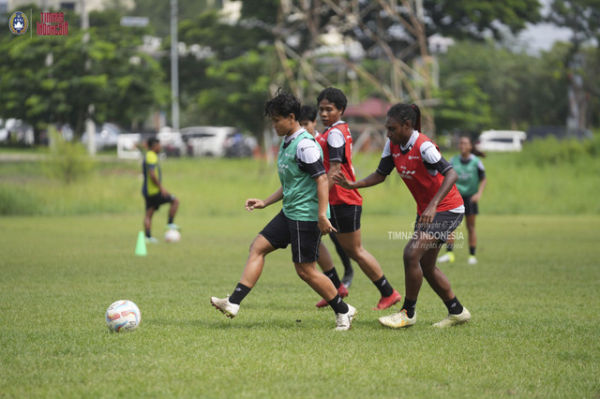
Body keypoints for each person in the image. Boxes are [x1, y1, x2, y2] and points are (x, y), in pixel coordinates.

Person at [210, 90, 356, 331]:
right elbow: (291, 183)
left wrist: (321, 215)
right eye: (272, 121)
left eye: (277, 120)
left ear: (291, 117)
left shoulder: (305, 146)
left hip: (305, 216)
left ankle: (343, 311)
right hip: (290, 212)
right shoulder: (287, 142)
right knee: (258, 247)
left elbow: (321, 180)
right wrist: (265, 202)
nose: (274, 125)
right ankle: (233, 303)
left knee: (305, 271)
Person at [334, 103, 471, 328]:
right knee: (426, 265)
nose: (388, 133)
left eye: (392, 128)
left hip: (447, 209)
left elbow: (452, 173)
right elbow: (380, 174)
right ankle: (457, 311)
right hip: (428, 212)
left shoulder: (424, 146)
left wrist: (433, 205)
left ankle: (408, 313)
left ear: (407, 125)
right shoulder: (393, 144)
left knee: (410, 254)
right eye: (387, 129)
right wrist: (352, 185)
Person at [314, 87, 401, 310]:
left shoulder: (334, 133)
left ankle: (387, 292)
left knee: (355, 250)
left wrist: (318, 197)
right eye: (321, 109)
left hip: (343, 199)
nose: (324, 114)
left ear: (341, 110)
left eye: (329, 109)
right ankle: (335, 289)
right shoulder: (335, 130)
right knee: (314, 241)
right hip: (338, 199)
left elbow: (334, 171)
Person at [298, 104, 355, 288]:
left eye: (306, 123)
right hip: (321, 197)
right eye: (300, 124)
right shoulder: (301, 143)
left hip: (334, 196)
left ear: (314, 123)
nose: (303, 128)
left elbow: (331, 171)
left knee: (340, 242)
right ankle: (337, 284)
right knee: (323, 239)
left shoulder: (322, 140)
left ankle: (342, 280)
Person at [437, 136, 487, 265]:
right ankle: (449, 254)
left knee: (470, 227)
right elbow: (445, 176)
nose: (462, 145)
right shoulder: (453, 160)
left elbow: (483, 179)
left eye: (465, 143)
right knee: (450, 227)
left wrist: (478, 194)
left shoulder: (476, 162)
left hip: (470, 198)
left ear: (470, 146)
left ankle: (472, 255)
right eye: (460, 143)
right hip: (455, 198)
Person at [142, 137, 180, 243]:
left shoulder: (148, 155)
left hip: (147, 191)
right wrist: (161, 188)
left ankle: (148, 237)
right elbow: (152, 175)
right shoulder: (152, 156)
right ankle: (170, 223)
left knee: (149, 213)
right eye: (159, 145)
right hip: (154, 191)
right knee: (175, 201)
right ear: (154, 146)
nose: (160, 147)